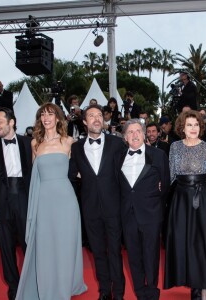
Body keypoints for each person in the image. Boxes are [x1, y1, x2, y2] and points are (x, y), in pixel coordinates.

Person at [16, 103, 87, 300]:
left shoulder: (69, 141)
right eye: (43, 115)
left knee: (65, 245)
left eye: (50, 114)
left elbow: (80, 171)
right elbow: (34, 177)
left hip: (66, 201)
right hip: (43, 201)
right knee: (45, 247)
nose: (46, 118)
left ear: (58, 118)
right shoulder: (34, 144)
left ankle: (63, 289)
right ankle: (46, 288)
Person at [164, 110, 206, 299]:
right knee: (185, 245)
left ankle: (203, 291)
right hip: (180, 202)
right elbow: (170, 176)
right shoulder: (175, 147)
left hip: (201, 201)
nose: (193, 128)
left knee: (202, 246)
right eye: (189, 125)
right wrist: (152, 194)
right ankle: (196, 286)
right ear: (182, 128)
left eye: (196, 124)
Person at [69, 104, 125, 300]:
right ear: (84, 121)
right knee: (98, 253)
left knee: (115, 252)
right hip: (90, 208)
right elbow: (70, 174)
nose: (96, 119)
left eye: (99, 115)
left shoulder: (117, 144)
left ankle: (118, 292)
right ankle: (104, 291)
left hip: (114, 207)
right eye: (91, 116)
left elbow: (127, 173)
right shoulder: (76, 148)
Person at [119, 119, 170, 300]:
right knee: (133, 256)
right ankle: (140, 293)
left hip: (151, 213)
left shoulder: (158, 155)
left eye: (137, 131)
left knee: (151, 255)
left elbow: (165, 185)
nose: (134, 135)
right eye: (130, 132)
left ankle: (152, 292)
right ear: (125, 137)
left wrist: (154, 203)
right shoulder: (118, 157)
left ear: (144, 134)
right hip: (127, 214)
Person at [0, 107, 32, 300]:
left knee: (29, 246)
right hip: (2, 202)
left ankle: (31, 285)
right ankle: (13, 288)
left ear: (11, 122)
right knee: (6, 249)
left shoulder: (29, 143)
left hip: (25, 199)